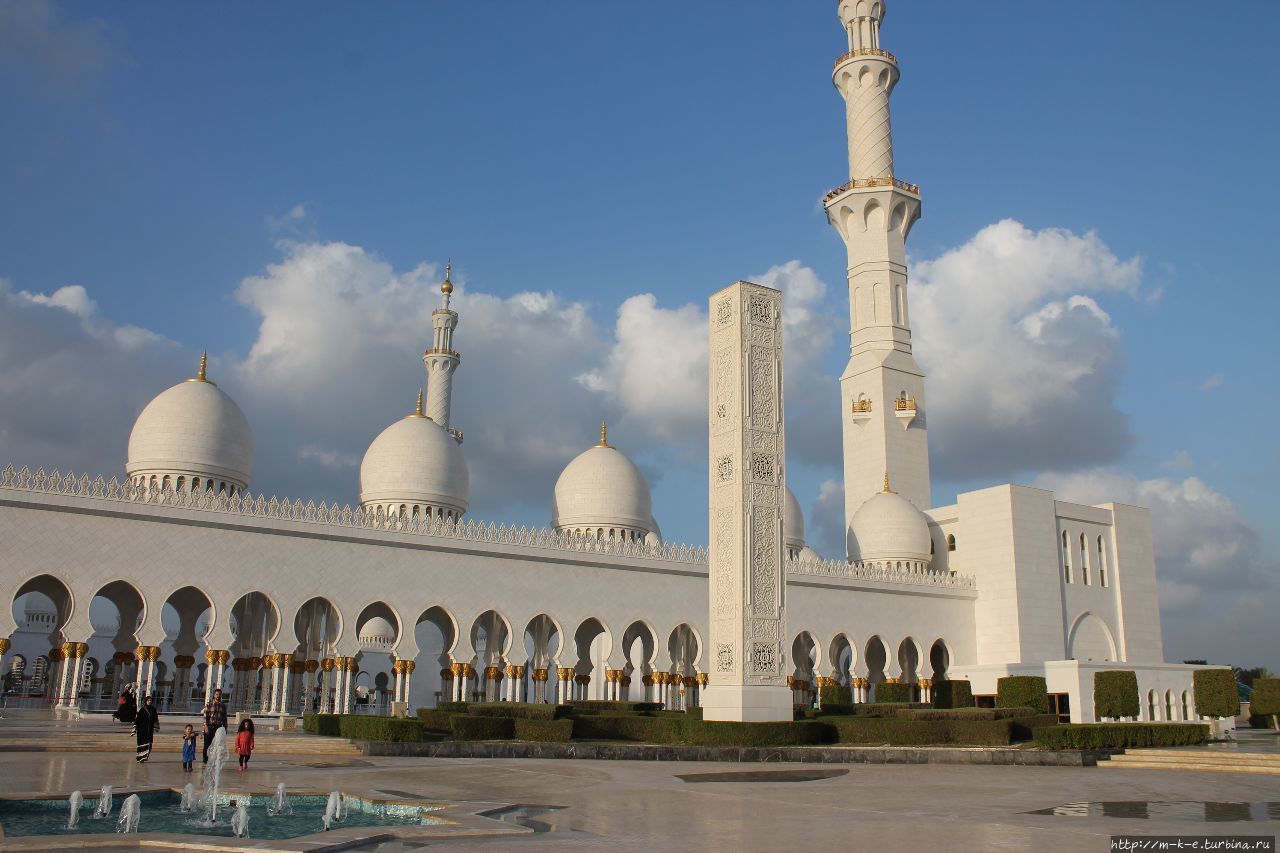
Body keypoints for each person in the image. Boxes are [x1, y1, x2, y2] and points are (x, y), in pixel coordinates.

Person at [202, 688, 228, 764]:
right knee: (207, 745)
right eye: (216, 694)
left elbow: (224, 718)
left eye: (219, 694)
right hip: (210, 727)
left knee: (217, 745)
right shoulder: (209, 704)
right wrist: (205, 726)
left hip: (218, 728)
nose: (218, 696)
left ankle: (214, 761)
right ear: (214, 695)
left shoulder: (223, 706)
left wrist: (225, 728)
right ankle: (205, 761)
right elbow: (205, 716)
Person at [133, 694, 160, 763]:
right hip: (142, 730)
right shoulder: (142, 710)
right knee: (142, 743)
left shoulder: (153, 709)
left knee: (149, 744)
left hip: (149, 730)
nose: (149, 702)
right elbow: (137, 719)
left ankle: (145, 756)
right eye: (148, 700)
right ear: (145, 701)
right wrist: (135, 728)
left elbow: (156, 719)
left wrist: (156, 727)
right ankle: (140, 757)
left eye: (150, 700)